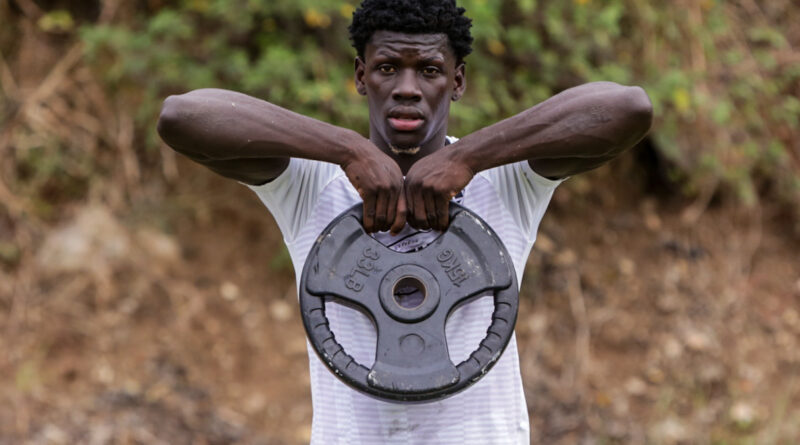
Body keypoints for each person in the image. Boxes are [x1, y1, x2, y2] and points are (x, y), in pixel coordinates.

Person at [157, 0, 653, 442]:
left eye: (430, 70)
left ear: (457, 81)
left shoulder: (503, 183)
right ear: (360, 76)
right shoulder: (313, 186)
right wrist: (347, 149)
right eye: (388, 67)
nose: (407, 89)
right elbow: (183, 116)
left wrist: (469, 158)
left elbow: (627, 107)